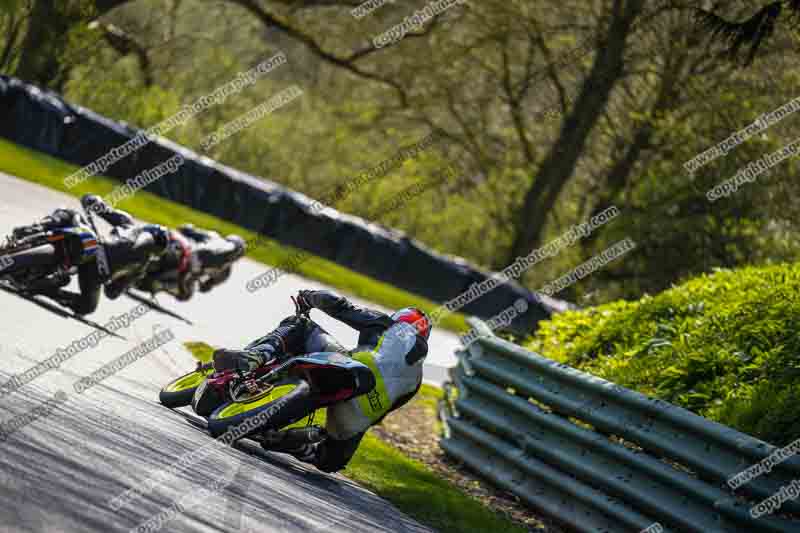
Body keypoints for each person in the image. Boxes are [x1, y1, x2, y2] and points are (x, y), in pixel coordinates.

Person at [213, 289, 431, 472]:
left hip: (347, 368)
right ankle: (304, 442)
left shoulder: (386, 324)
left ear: (399, 320)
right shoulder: (417, 380)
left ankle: (258, 355)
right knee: (330, 461)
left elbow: (338, 305)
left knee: (300, 325)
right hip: (357, 416)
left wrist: (309, 297)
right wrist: (344, 433)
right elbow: (382, 415)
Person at [10, 194, 169, 314]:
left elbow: (100, 207)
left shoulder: (128, 223)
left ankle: (43, 283)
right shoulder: (141, 268)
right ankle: (44, 286)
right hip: (96, 266)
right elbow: (112, 293)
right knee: (88, 306)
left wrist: (93, 200)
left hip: (97, 250)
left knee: (70, 214)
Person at [136, 224, 246, 301]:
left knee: (186, 294)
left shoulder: (225, 272)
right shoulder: (213, 237)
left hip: (189, 272)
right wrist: (189, 230)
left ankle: (158, 284)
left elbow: (207, 286)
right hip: (185, 251)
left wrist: (202, 282)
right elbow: (188, 230)